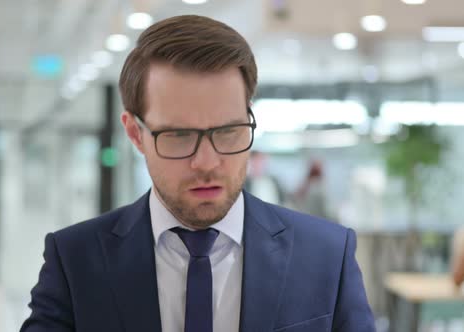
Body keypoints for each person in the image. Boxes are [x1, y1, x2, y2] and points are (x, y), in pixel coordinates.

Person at [21, 15, 375, 332]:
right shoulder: (76, 261)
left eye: (227, 131)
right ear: (135, 133)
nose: (207, 162)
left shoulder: (326, 256)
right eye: (179, 136)